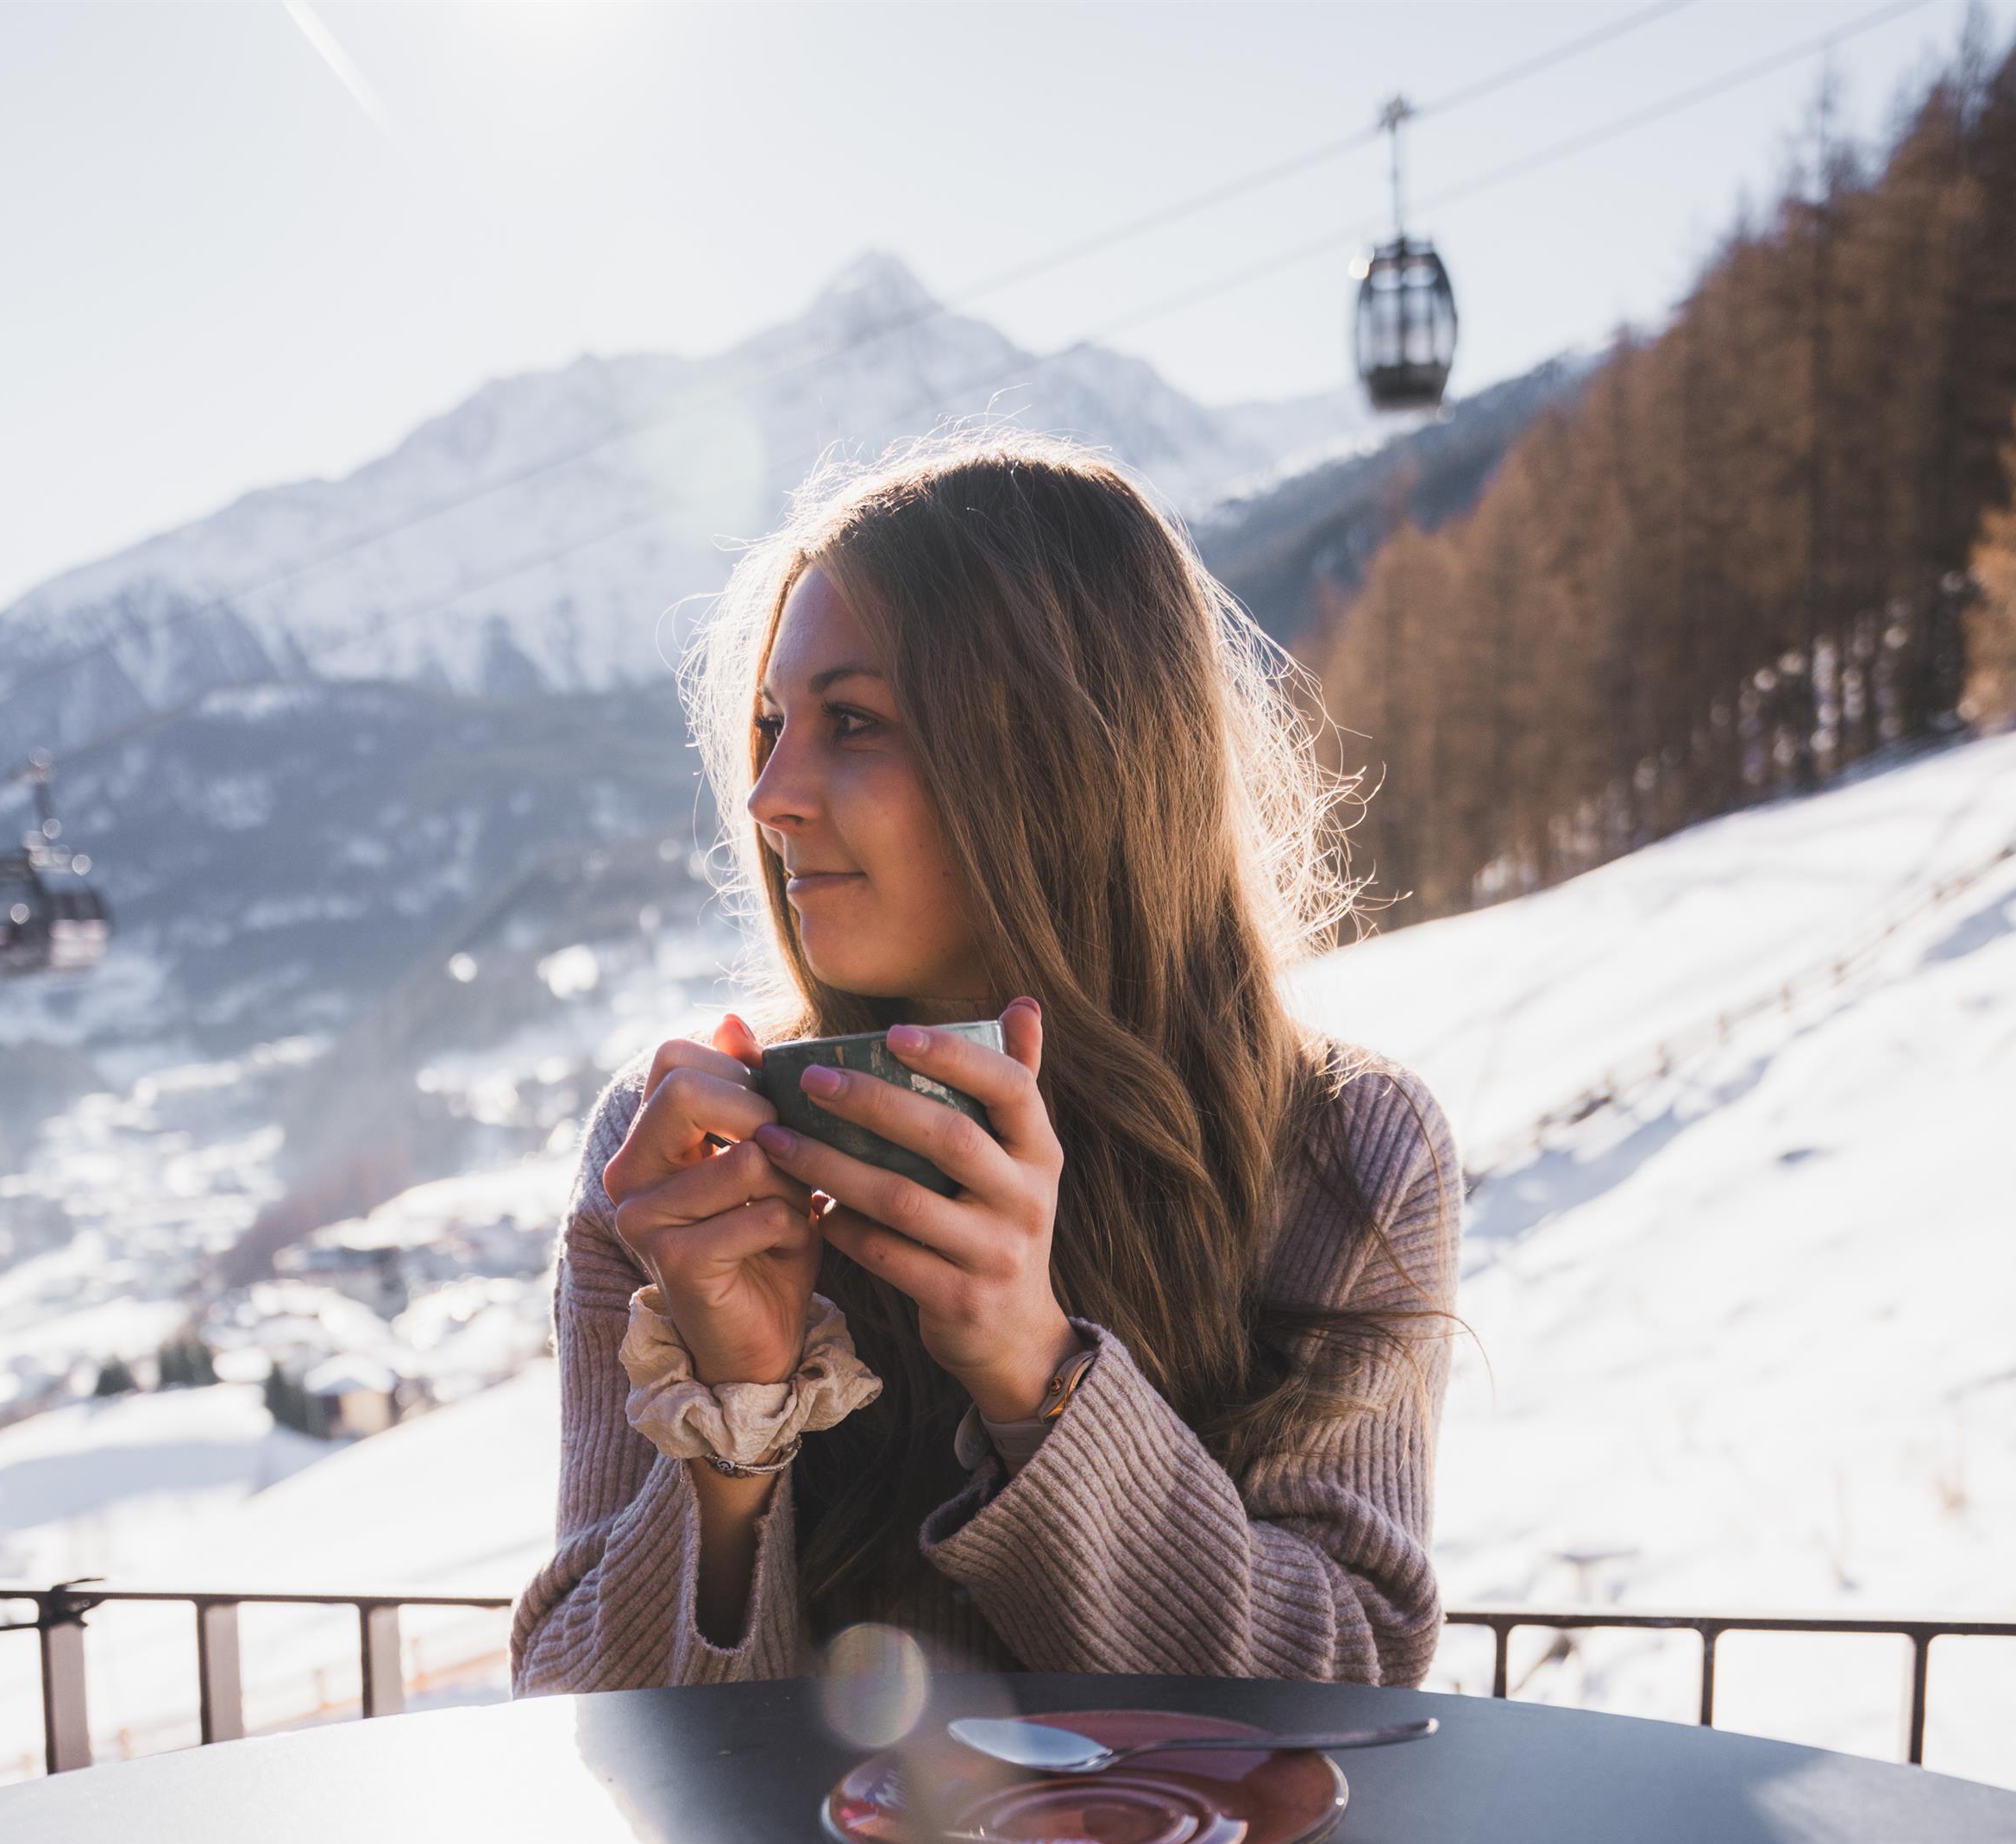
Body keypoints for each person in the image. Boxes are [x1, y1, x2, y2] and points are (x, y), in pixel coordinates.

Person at [511, 439, 1458, 1694]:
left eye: (853, 723)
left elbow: (1348, 1688)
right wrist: (733, 1426)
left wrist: (1035, 1374)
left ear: (1061, 763)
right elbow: (570, 1716)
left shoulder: (1343, 1148)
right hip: (788, 1839)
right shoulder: (683, 1149)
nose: (769, 798)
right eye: (771, 725)